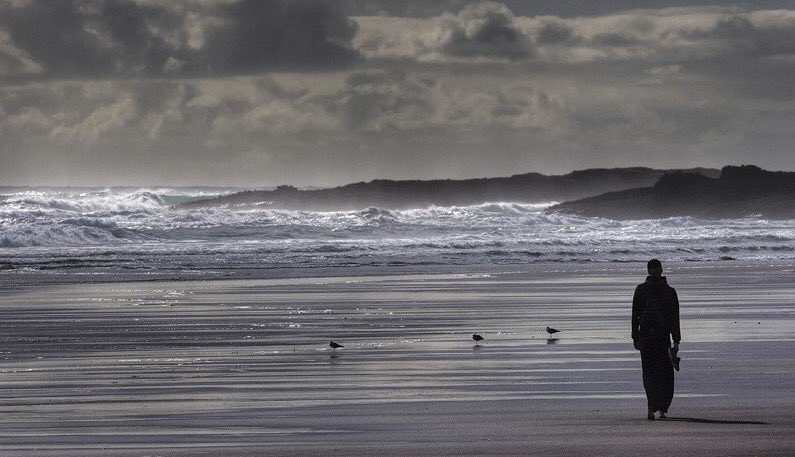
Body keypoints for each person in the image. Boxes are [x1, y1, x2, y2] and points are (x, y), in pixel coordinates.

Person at [632, 259, 681, 420]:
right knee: (665, 373)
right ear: (661, 270)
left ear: (648, 271)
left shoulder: (641, 289)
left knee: (649, 372)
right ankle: (662, 408)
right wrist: (676, 340)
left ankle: (651, 406)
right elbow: (674, 317)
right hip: (662, 337)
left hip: (646, 336)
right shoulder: (669, 291)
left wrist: (635, 337)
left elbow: (635, 315)